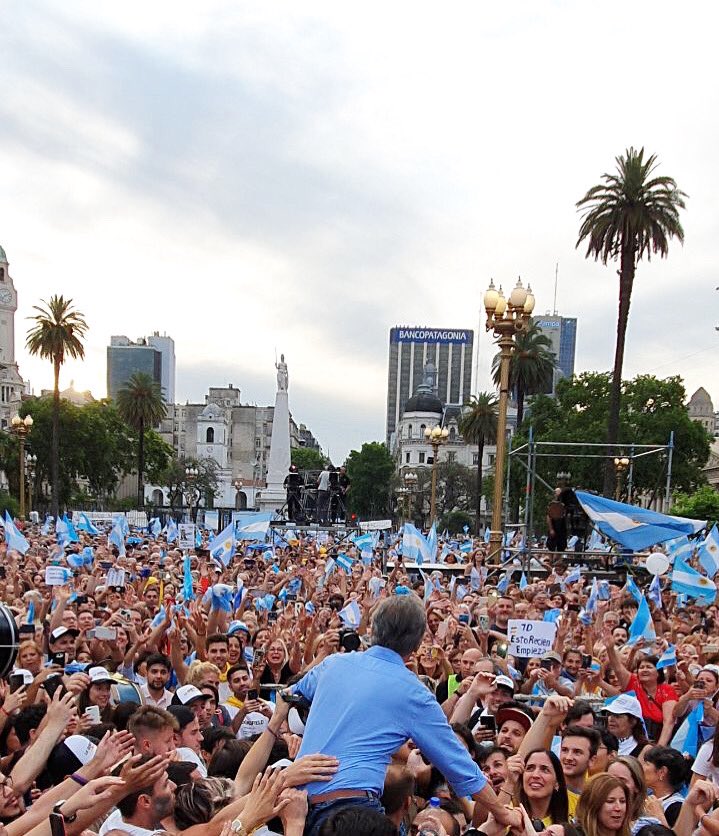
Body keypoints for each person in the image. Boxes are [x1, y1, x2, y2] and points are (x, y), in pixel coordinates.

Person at [289, 595, 522, 836]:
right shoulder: (413, 692)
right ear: (417, 643)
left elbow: (290, 696)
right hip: (352, 815)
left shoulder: (333, 664)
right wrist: (503, 812)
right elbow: (457, 763)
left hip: (296, 806)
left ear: (374, 629)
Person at [602, 633, 678, 745]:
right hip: (632, 740)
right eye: (641, 668)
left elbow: (669, 722)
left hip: (657, 740)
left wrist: (659, 747)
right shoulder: (633, 683)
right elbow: (618, 668)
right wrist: (610, 648)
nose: (644, 670)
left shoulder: (667, 690)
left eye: (649, 667)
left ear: (658, 673)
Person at [640, 746, 689, 827]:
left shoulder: (676, 807)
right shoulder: (644, 796)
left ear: (662, 772)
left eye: (647, 764)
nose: (642, 767)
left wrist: (659, 816)